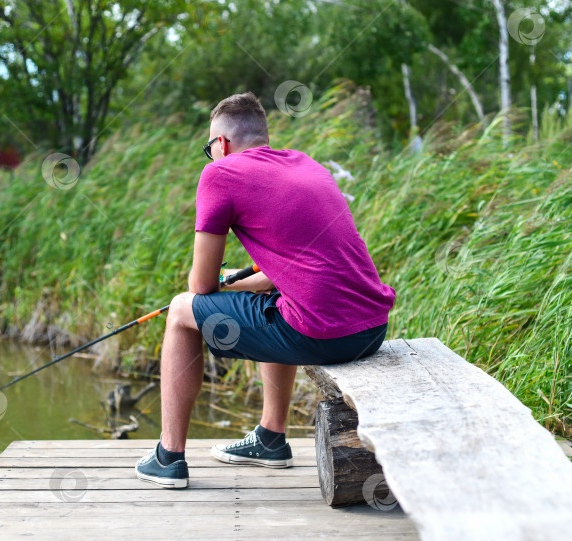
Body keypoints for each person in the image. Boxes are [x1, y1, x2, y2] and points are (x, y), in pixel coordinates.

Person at [135, 92, 395, 489]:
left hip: (327, 335)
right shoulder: (307, 164)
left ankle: (168, 457)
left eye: (211, 148)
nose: (212, 156)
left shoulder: (220, 174)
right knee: (276, 302)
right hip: (371, 330)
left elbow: (200, 287)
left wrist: (217, 284)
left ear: (221, 144)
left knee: (179, 310)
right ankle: (271, 439)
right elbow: (286, 275)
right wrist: (234, 285)